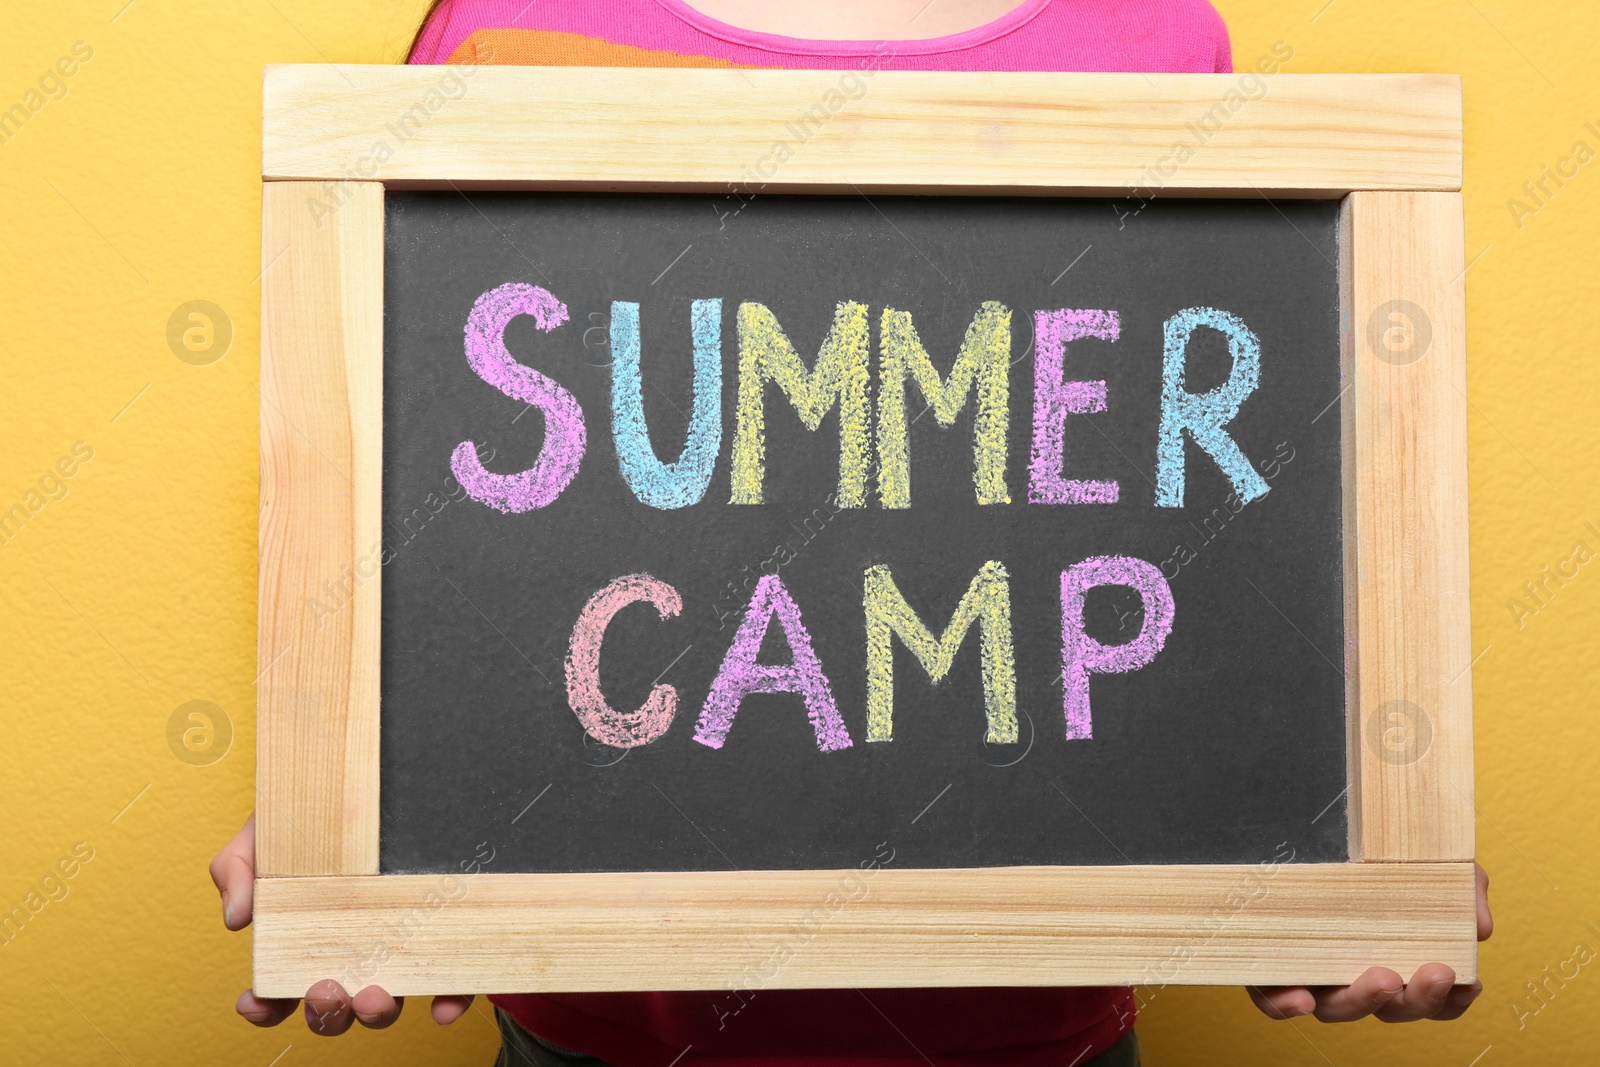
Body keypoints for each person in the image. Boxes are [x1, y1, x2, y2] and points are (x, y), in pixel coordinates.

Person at [217, 2, 1493, 1062]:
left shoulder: (1154, 36)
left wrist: (1347, 839)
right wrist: (360, 812)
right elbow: (421, 499)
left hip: (1039, 1046)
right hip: (597, 1042)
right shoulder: (513, 26)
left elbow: (1234, 545)